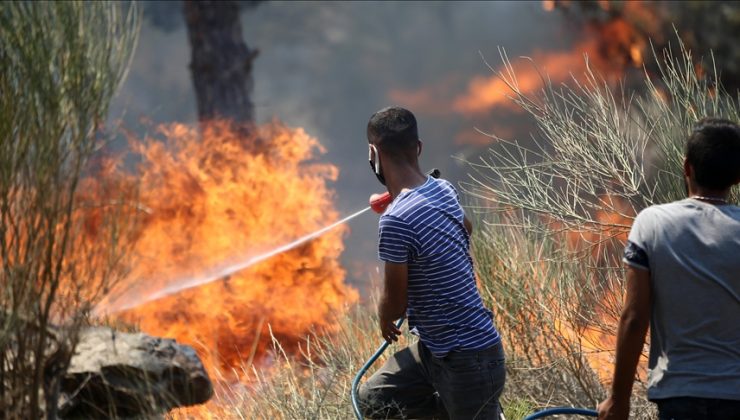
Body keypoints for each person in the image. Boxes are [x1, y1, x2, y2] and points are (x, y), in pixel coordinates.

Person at [358, 106, 505, 420]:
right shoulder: (443, 189)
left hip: (470, 360)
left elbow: (396, 305)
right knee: (374, 398)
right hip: (437, 352)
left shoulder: (396, 221)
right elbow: (467, 226)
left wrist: (384, 318)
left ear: (374, 154)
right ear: (419, 147)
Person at [598, 118, 740, 420]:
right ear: (738, 176)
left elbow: (635, 319)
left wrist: (618, 401)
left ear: (686, 167)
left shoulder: (653, 223)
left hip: (680, 396)